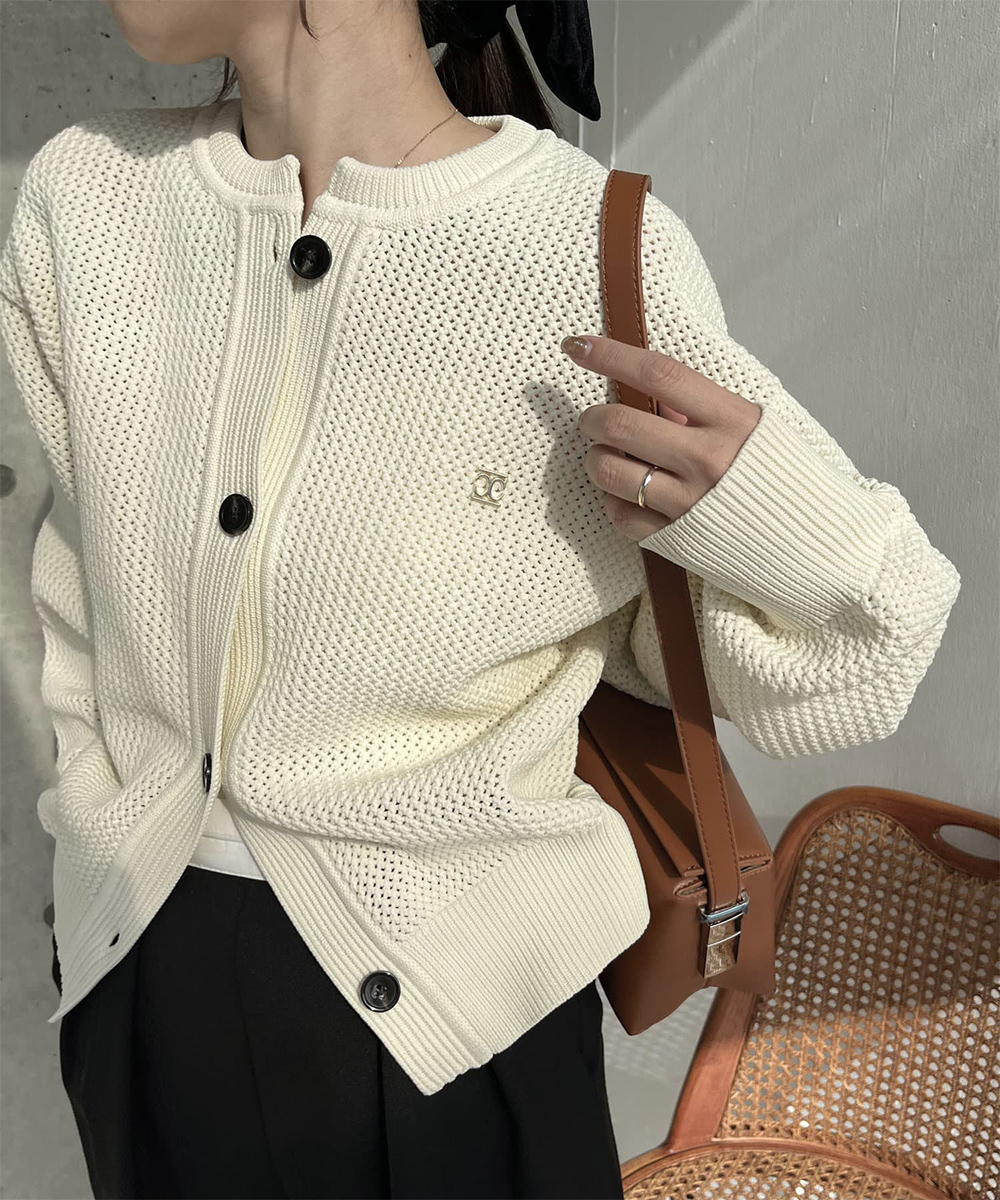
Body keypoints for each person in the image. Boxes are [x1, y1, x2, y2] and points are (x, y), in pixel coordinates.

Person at [0, 1, 961, 1197]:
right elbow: (81, 593)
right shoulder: (86, 197)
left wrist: (755, 510)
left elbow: (866, 650)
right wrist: (96, 847)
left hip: (454, 1018)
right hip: (140, 961)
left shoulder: (578, 245)